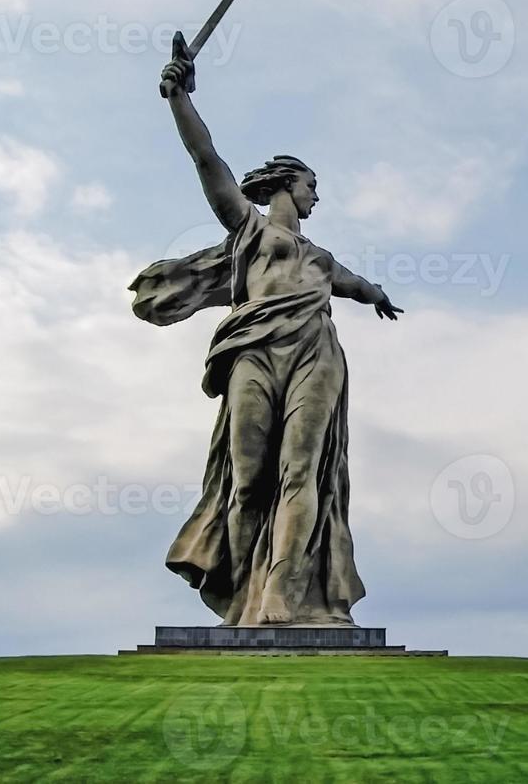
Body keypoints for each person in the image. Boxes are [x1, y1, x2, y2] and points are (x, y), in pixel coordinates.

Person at [130, 49, 401, 627]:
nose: (316, 197)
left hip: (315, 352)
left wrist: (377, 294)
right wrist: (181, 98)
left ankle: (281, 591)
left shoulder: (322, 260)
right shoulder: (250, 230)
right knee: (248, 480)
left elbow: (357, 285)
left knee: (302, 471)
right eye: (312, 185)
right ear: (286, 183)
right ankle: (241, 595)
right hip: (254, 351)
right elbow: (207, 160)